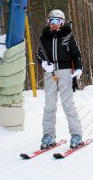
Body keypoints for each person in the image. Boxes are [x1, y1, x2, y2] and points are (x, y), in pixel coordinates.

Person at [37, 9, 83, 150]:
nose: (54, 24)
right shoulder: (44, 36)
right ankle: (49, 135)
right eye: (51, 21)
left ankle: (76, 134)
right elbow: (39, 54)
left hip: (65, 72)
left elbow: (76, 53)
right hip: (50, 73)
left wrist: (79, 68)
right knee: (49, 106)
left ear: (62, 22)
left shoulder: (68, 36)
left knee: (68, 105)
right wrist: (44, 64)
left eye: (56, 21)